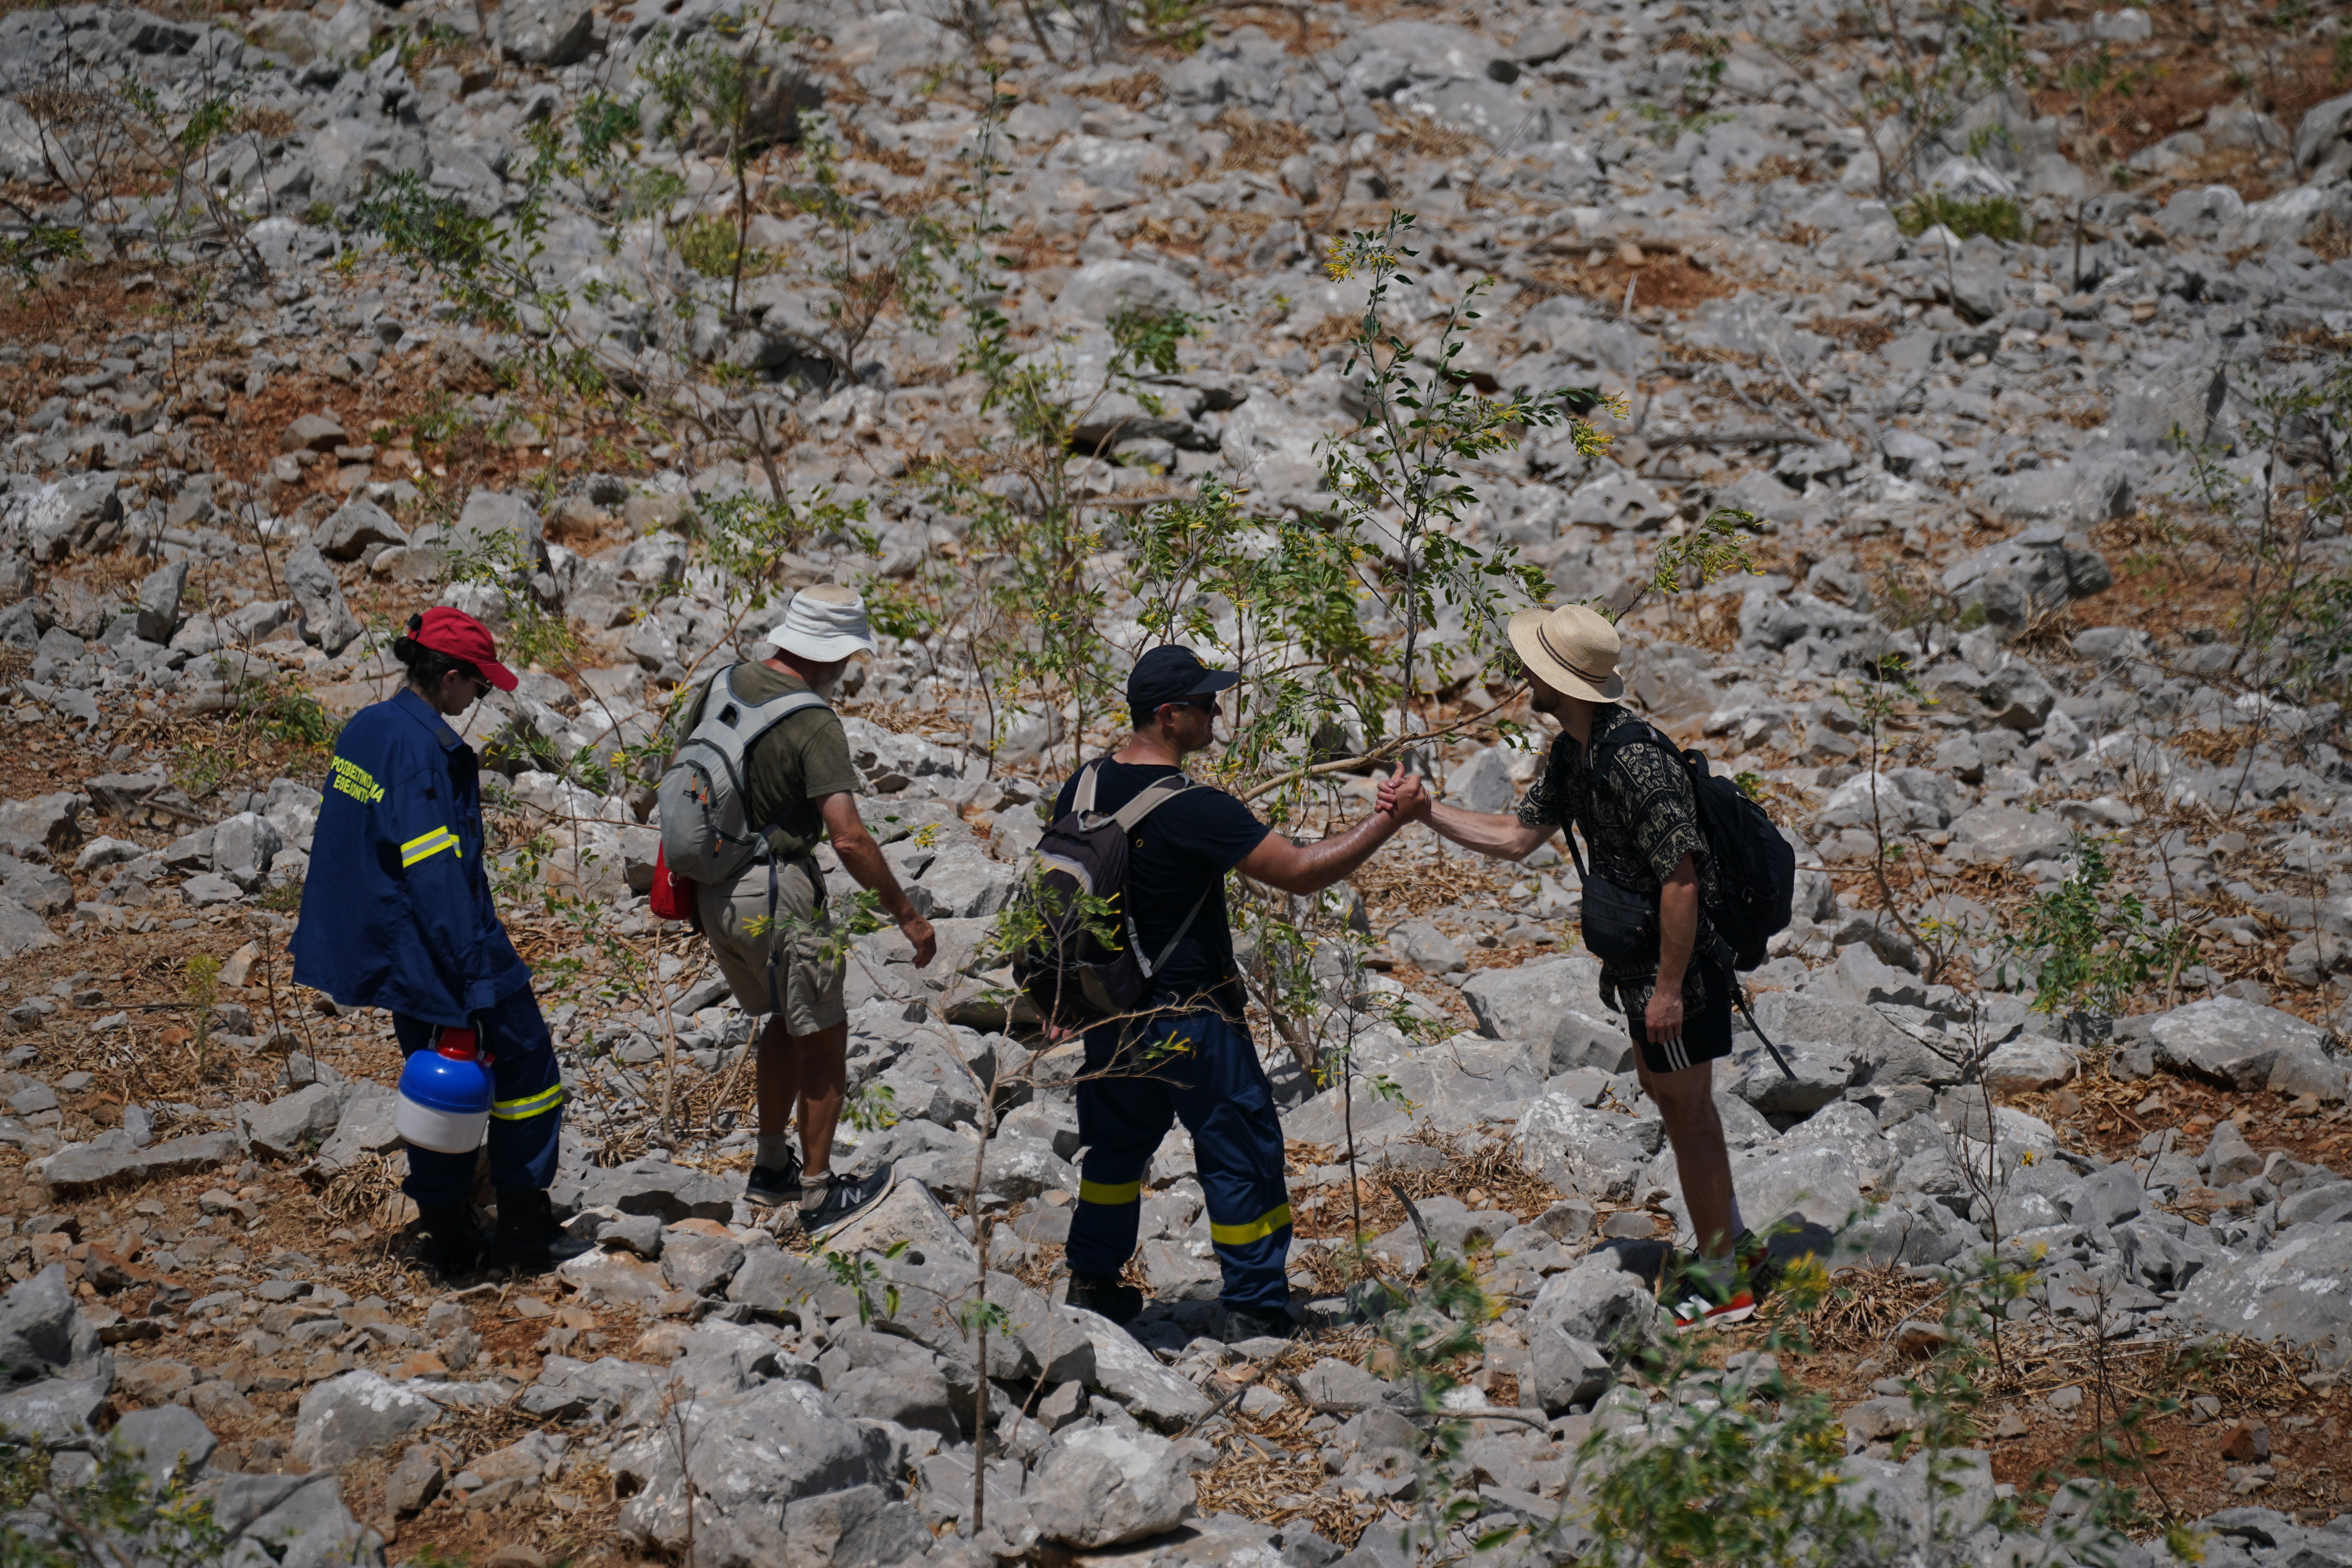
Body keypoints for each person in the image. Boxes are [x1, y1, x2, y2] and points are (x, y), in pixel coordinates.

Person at [1379, 602, 1759, 1327]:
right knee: (1672, 1094)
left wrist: (1672, 990)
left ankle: (1725, 1280)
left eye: (1536, 666)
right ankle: (1732, 1240)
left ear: (1564, 681)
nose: (1526, 675)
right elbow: (1519, 835)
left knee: (1687, 1106)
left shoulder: (1635, 760)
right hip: (1643, 968)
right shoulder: (1575, 753)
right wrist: (1423, 813)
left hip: (1674, 969)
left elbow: (1681, 879)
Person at [1058, 646, 1426, 1342]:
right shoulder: (1195, 807)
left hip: (1108, 1010)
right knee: (1240, 1148)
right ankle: (1256, 1305)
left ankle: (1092, 1281)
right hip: (1191, 1017)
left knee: (1113, 1153)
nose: (1216, 710)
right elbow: (1300, 873)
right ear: (1169, 716)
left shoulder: (1082, 785)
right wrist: (1391, 821)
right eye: (1204, 702)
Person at [291, 607, 582, 1277]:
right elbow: (433, 868)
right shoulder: (425, 753)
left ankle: (447, 1234)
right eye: (478, 687)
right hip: (441, 944)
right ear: (449, 677)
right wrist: (476, 971)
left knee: (439, 1082)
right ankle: (521, 1226)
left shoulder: (368, 727)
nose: (478, 700)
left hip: (398, 951)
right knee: (528, 1069)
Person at [676, 585, 938, 1233]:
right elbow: (847, 836)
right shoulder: (814, 721)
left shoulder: (723, 682)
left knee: (784, 1021)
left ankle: (771, 1169)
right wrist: (907, 914)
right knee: (824, 1037)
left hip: (717, 889)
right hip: (778, 890)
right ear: (839, 655)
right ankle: (819, 1194)